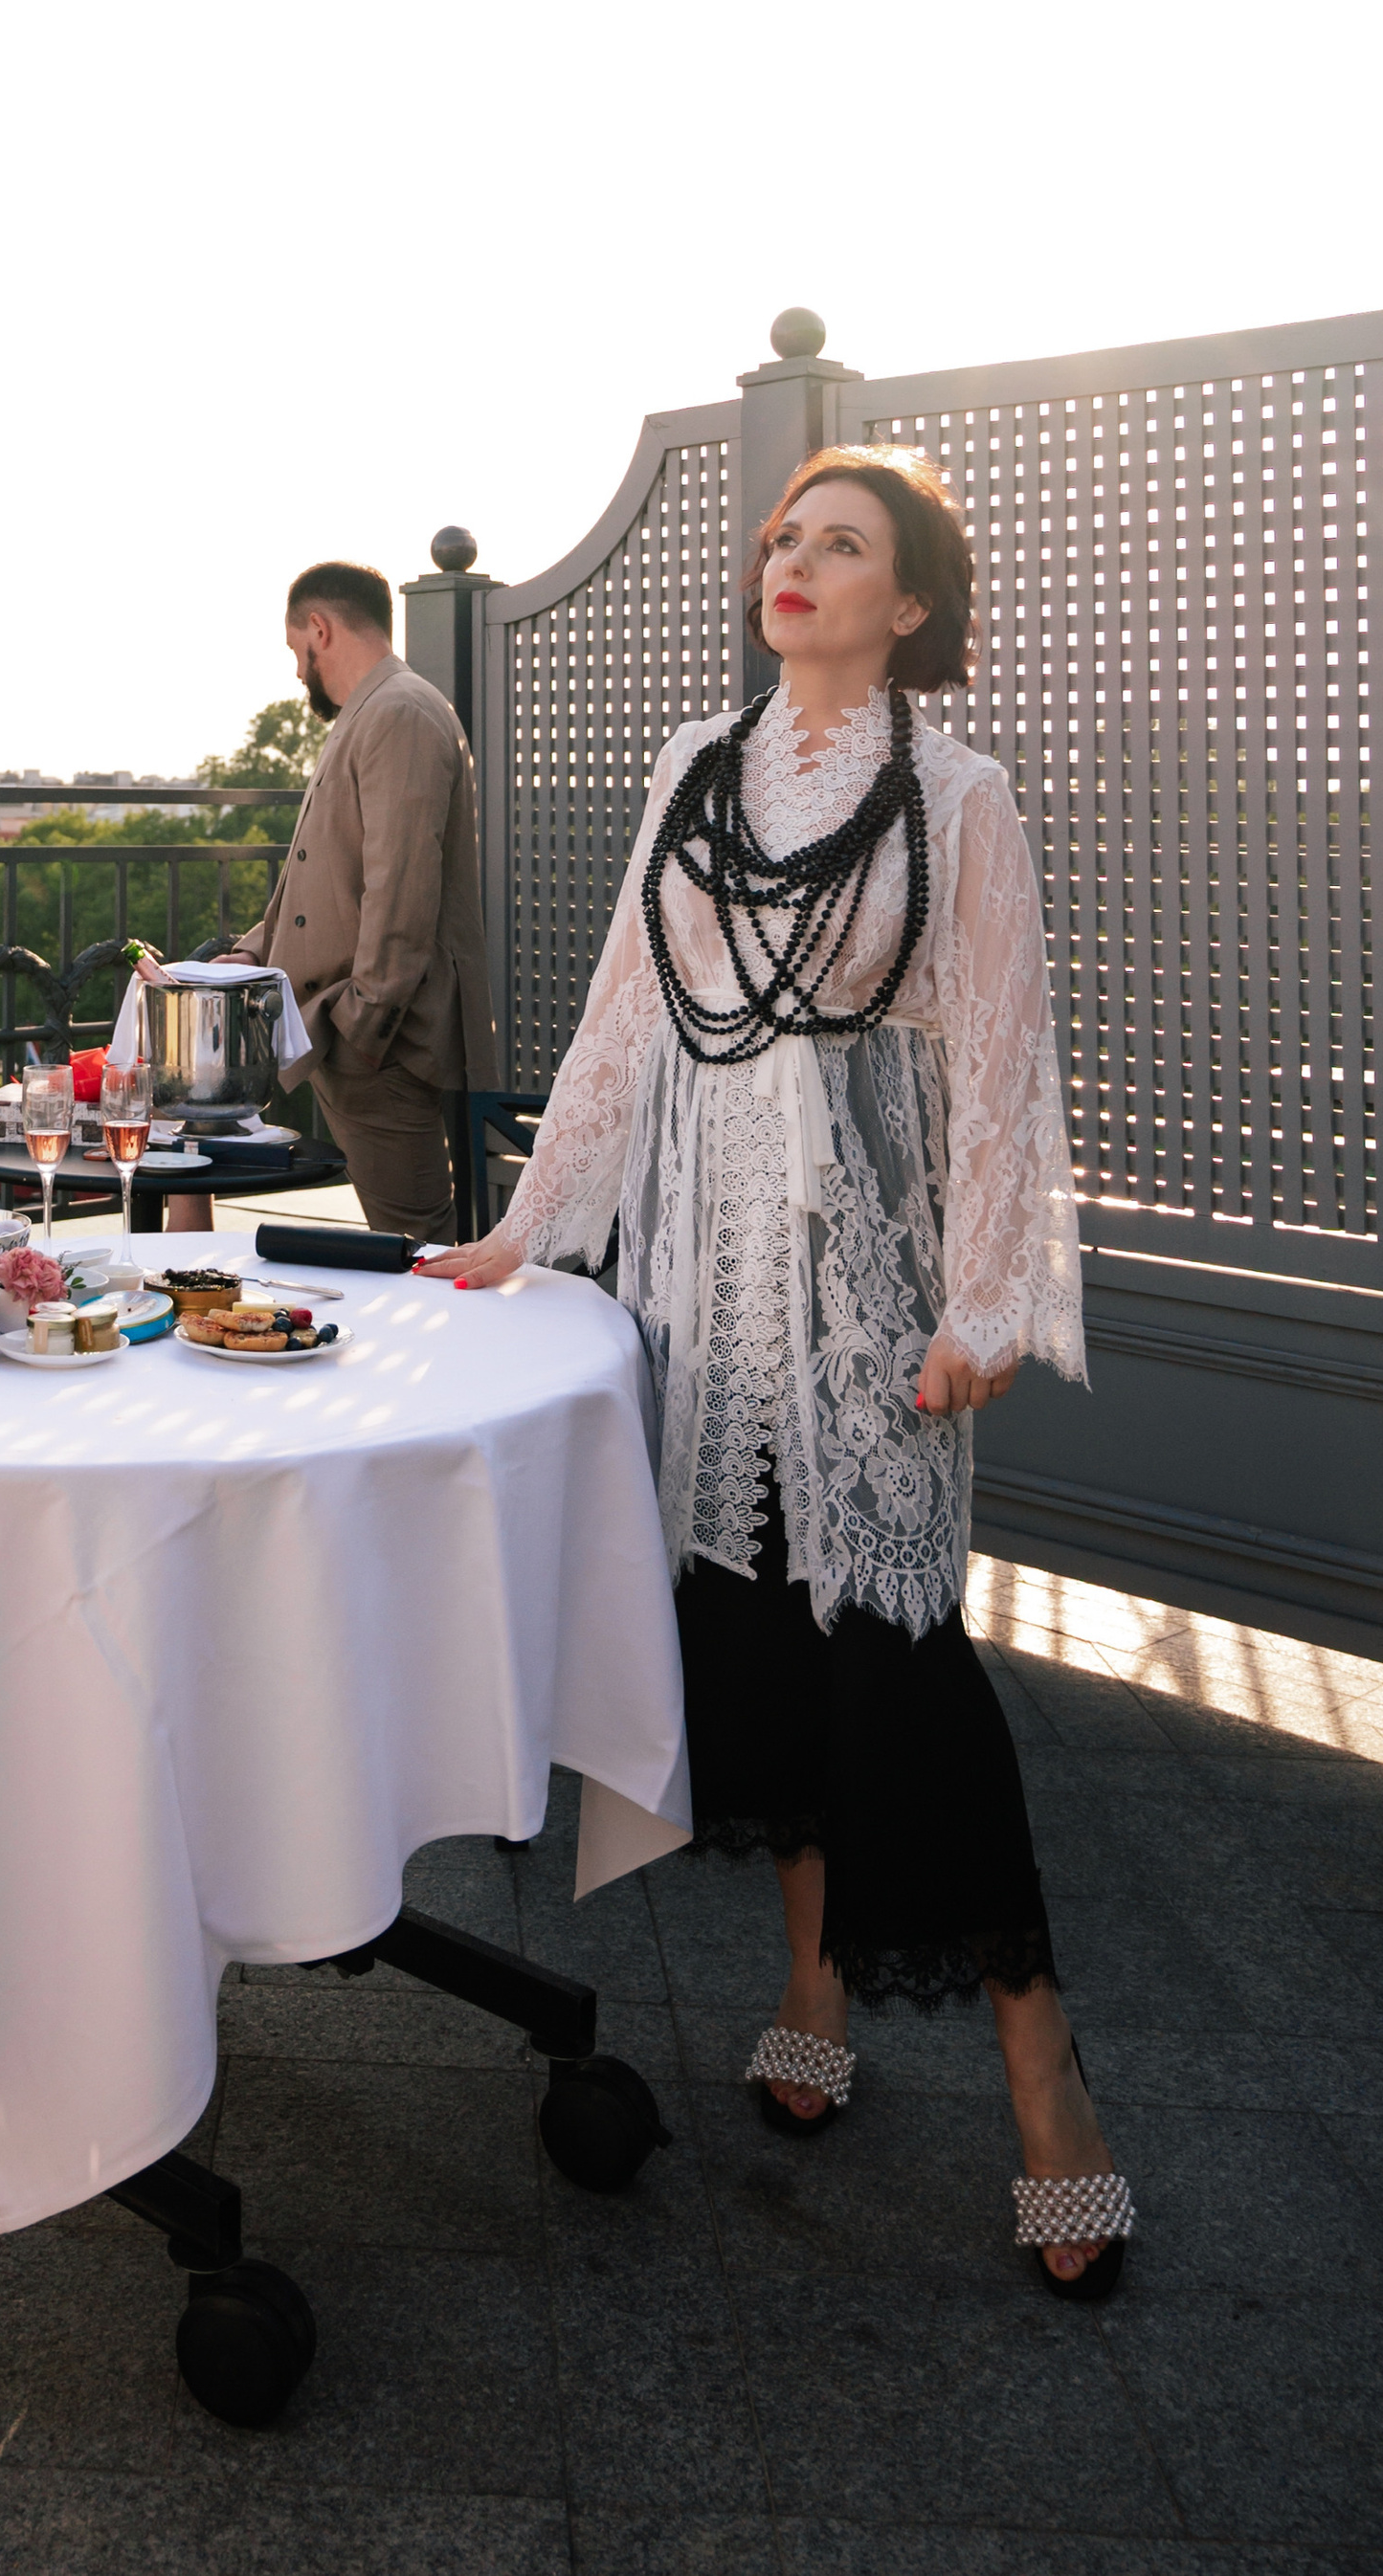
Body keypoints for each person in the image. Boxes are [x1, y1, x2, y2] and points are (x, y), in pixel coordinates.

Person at [420, 449, 1136, 2298]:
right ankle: (811, 1975)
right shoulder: (689, 767)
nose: (790, 562)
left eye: (840, 544)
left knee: (900, 1676)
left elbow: (999, 1064)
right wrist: (524, 1231)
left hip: (870, 1292)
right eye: (780, 538)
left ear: (909, 605)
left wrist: (980, 1305)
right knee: (748, 1636)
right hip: (700, 1287)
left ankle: (1044, 2072)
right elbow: (619, 1024)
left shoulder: (957, 795)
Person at [221, 560, 498, 1244]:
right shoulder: (374, 711)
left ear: (320, 628)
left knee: (415, 1250)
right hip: (357, 1034)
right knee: (402, 1245)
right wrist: (252, 952)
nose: (296, 671)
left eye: (295, 651)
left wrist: (359, 1032)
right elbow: (325, 877)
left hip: (383, 1046)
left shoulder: (399, 712)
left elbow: (399, 895)